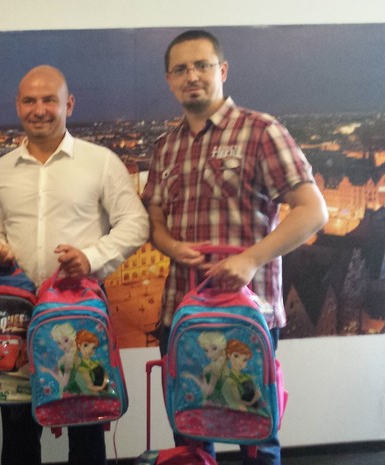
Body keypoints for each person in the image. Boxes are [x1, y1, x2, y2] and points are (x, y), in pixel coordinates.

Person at [142, 29, 329, 465]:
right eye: (180, 69)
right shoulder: (165, 147)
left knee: (257, 436)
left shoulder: (261, 131)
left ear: (222, 70)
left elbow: (313, 211)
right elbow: (155, 219)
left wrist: (251, 259)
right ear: (169, 80)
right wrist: (170, 246)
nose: (192, 76)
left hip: (248, 313)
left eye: (202, 65)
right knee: (189, 432)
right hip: (181, 312)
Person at [0, 65, 149, 465]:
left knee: (85, 422)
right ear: (17, 106)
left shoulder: (100, 161)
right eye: (30, 101)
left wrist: (91, 258)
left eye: (49, 100)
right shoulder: (0, 170)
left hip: (79, 307)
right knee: (17, 429)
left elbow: (135, 223)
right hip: (16, 312)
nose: (39, 109)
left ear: (68, 104)